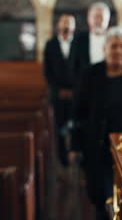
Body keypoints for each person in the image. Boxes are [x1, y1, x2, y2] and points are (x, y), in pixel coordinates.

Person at [73, 27, 122, 220]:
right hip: (98, 143)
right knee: (103, 196)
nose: (117, 51)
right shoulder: (90, 74)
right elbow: (78, 112)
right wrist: (75, 146)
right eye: (113, 46)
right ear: (104, 49)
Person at [43, 14, 81, 167]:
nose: (66, 26)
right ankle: (62, 159)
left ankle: (76, 154)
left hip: (76, 94)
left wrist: (75, 90)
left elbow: (81, 69)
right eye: (64, 22)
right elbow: (47, 71)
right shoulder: (50, 44)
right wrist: (58, 90)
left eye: (69, 23)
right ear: (58, 25)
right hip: (57, 95)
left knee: (76, 125)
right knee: (59, 127)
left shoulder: (78, 43)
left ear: (73, 27)